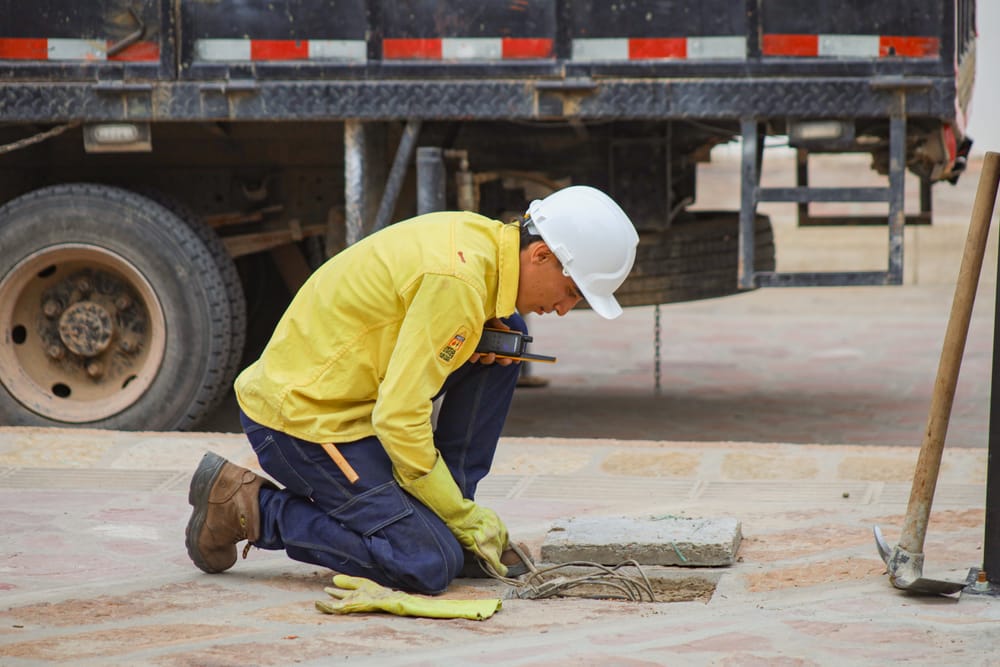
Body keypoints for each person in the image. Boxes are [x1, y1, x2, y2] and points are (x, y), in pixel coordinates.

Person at [184, 185, 639, 594]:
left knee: (507, 340)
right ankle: (251, 508)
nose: (563, 309)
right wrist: (464, 520)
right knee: (426, 563)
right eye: (572, 291)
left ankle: (443, 513)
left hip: (355, 398)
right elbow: (399, 420)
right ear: (539, 255)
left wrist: (474, 333)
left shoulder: (483, 241)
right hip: (302, 421)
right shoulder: (458, 283)